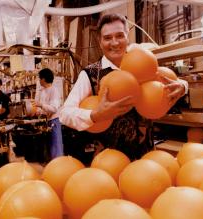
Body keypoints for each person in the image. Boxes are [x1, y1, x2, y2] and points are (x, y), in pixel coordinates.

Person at [59, 13, 188, 160]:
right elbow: (65, 114)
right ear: (100, 42)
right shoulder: (90, 74)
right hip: (109, 163)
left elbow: (170, 81)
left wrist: (183, 86)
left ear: (127, 37)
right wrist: (95, 115)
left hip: (146, 160)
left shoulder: (143, 64)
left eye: (119, 36)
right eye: (107, 38)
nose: (114, 43)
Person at [34, 68, 64, 159]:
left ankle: (57, 167)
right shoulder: (42, 91)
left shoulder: (54, 90)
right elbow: (42, 108)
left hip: (54, 121)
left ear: (43, 79)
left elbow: (54, 108)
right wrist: (38, 111)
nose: (39, 80)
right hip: (46, 122)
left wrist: (41, 105)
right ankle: (50, 167)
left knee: (56, 147)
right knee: (48, 148)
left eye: (40, 78)